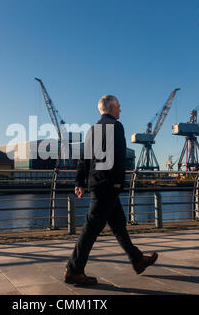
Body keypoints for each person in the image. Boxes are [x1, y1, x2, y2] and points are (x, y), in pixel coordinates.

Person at [64, 95, 158, 286]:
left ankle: (137, 260)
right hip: (107, 185)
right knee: (91, 228)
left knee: (118, 225)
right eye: (119, 107)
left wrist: (79, 182)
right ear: (112, 107)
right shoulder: (116, 126)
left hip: (97, 183)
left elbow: (84, 158)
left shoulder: (92, 130)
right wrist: (117, 181)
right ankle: (74, 270)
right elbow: (119, 154)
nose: (120, 110)